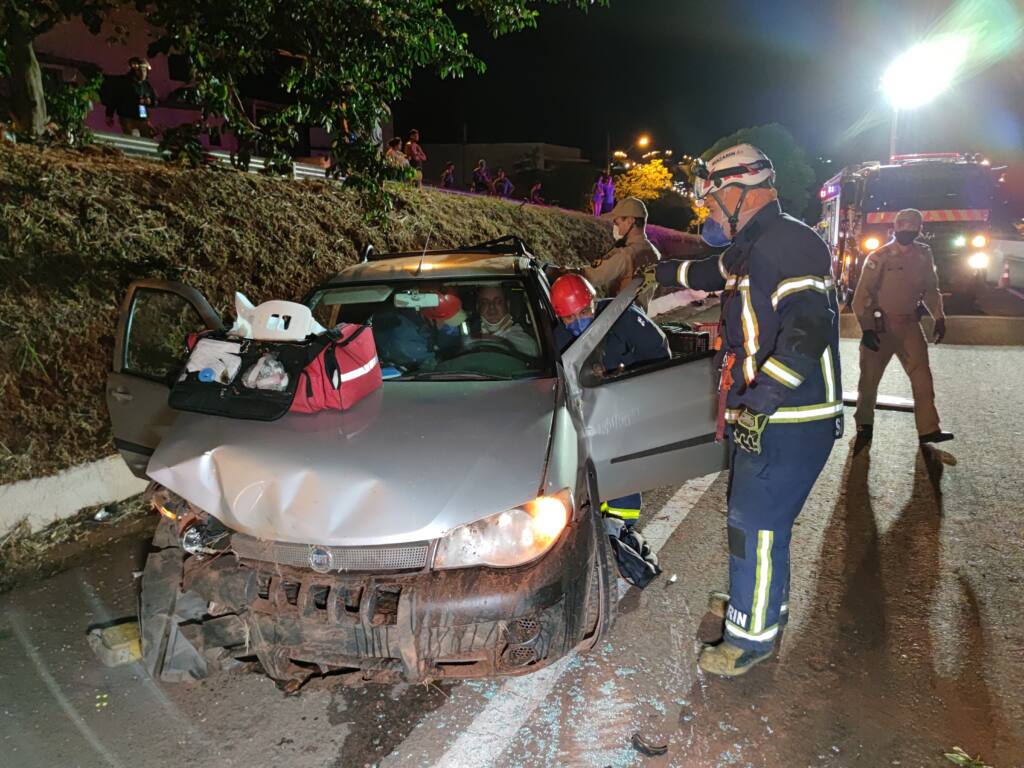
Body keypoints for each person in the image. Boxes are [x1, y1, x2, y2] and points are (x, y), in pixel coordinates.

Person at [647, 143, 842, 677]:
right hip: (768, 415)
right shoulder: (755, 245)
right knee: (764, 522)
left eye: (712, 202)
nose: (708, 211)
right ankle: (757, 602)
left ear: (740, 192)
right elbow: (711, 273)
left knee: (753, 524)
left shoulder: (792, 244)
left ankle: (748, 639)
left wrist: (761, 402)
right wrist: (659, 270)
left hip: (789, 417)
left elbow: (809, 328)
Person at [552, 272, 668, 529]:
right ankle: (591, 523)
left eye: (583, 312)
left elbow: (659, 354)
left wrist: (628, 378)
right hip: (587, 414)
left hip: (625, 406)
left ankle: (622, 527)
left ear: (593, 302)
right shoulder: (558, 338)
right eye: (569, 317)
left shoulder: (622, 318)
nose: (577, 322)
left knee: (620, 464)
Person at [851, 208, 953, 449]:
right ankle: (864, 423)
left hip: (909, 325)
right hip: (880, 325)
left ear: (920, 229)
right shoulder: (880, 257)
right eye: (903, 226)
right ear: (895, 228)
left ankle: (929, 429)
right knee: (869, 379)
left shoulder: (923, 254)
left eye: (913, 226)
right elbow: (861, 296)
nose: (908, 230)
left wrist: (939, 316)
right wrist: (866, 329)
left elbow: (930, 288)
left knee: (922, 377)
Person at [581, 196, 661, 310]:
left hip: (618, 317)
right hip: (638, 317)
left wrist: (561, 272)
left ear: (630, 221)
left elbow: (591, 277)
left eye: (617, 222)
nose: (615, 227)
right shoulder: (654, 253)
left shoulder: (626, 256)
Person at [474, 285, 539, 357]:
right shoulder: (471, 341)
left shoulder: (525, 342)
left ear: (508, 305)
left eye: (498, 302)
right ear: (478, 307)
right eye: (484, 302)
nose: (491, 307)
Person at [102, 57, 158, 137]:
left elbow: (154, 101)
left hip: (142, 118)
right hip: (127, 117)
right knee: (131, 137)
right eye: (140, 70)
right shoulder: (124, 83)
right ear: (134, 71)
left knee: (147, 138)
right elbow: (114, 99)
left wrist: (150, 101)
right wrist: (109, 115)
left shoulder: (146, 85)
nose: (143, 73)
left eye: (145, 70)